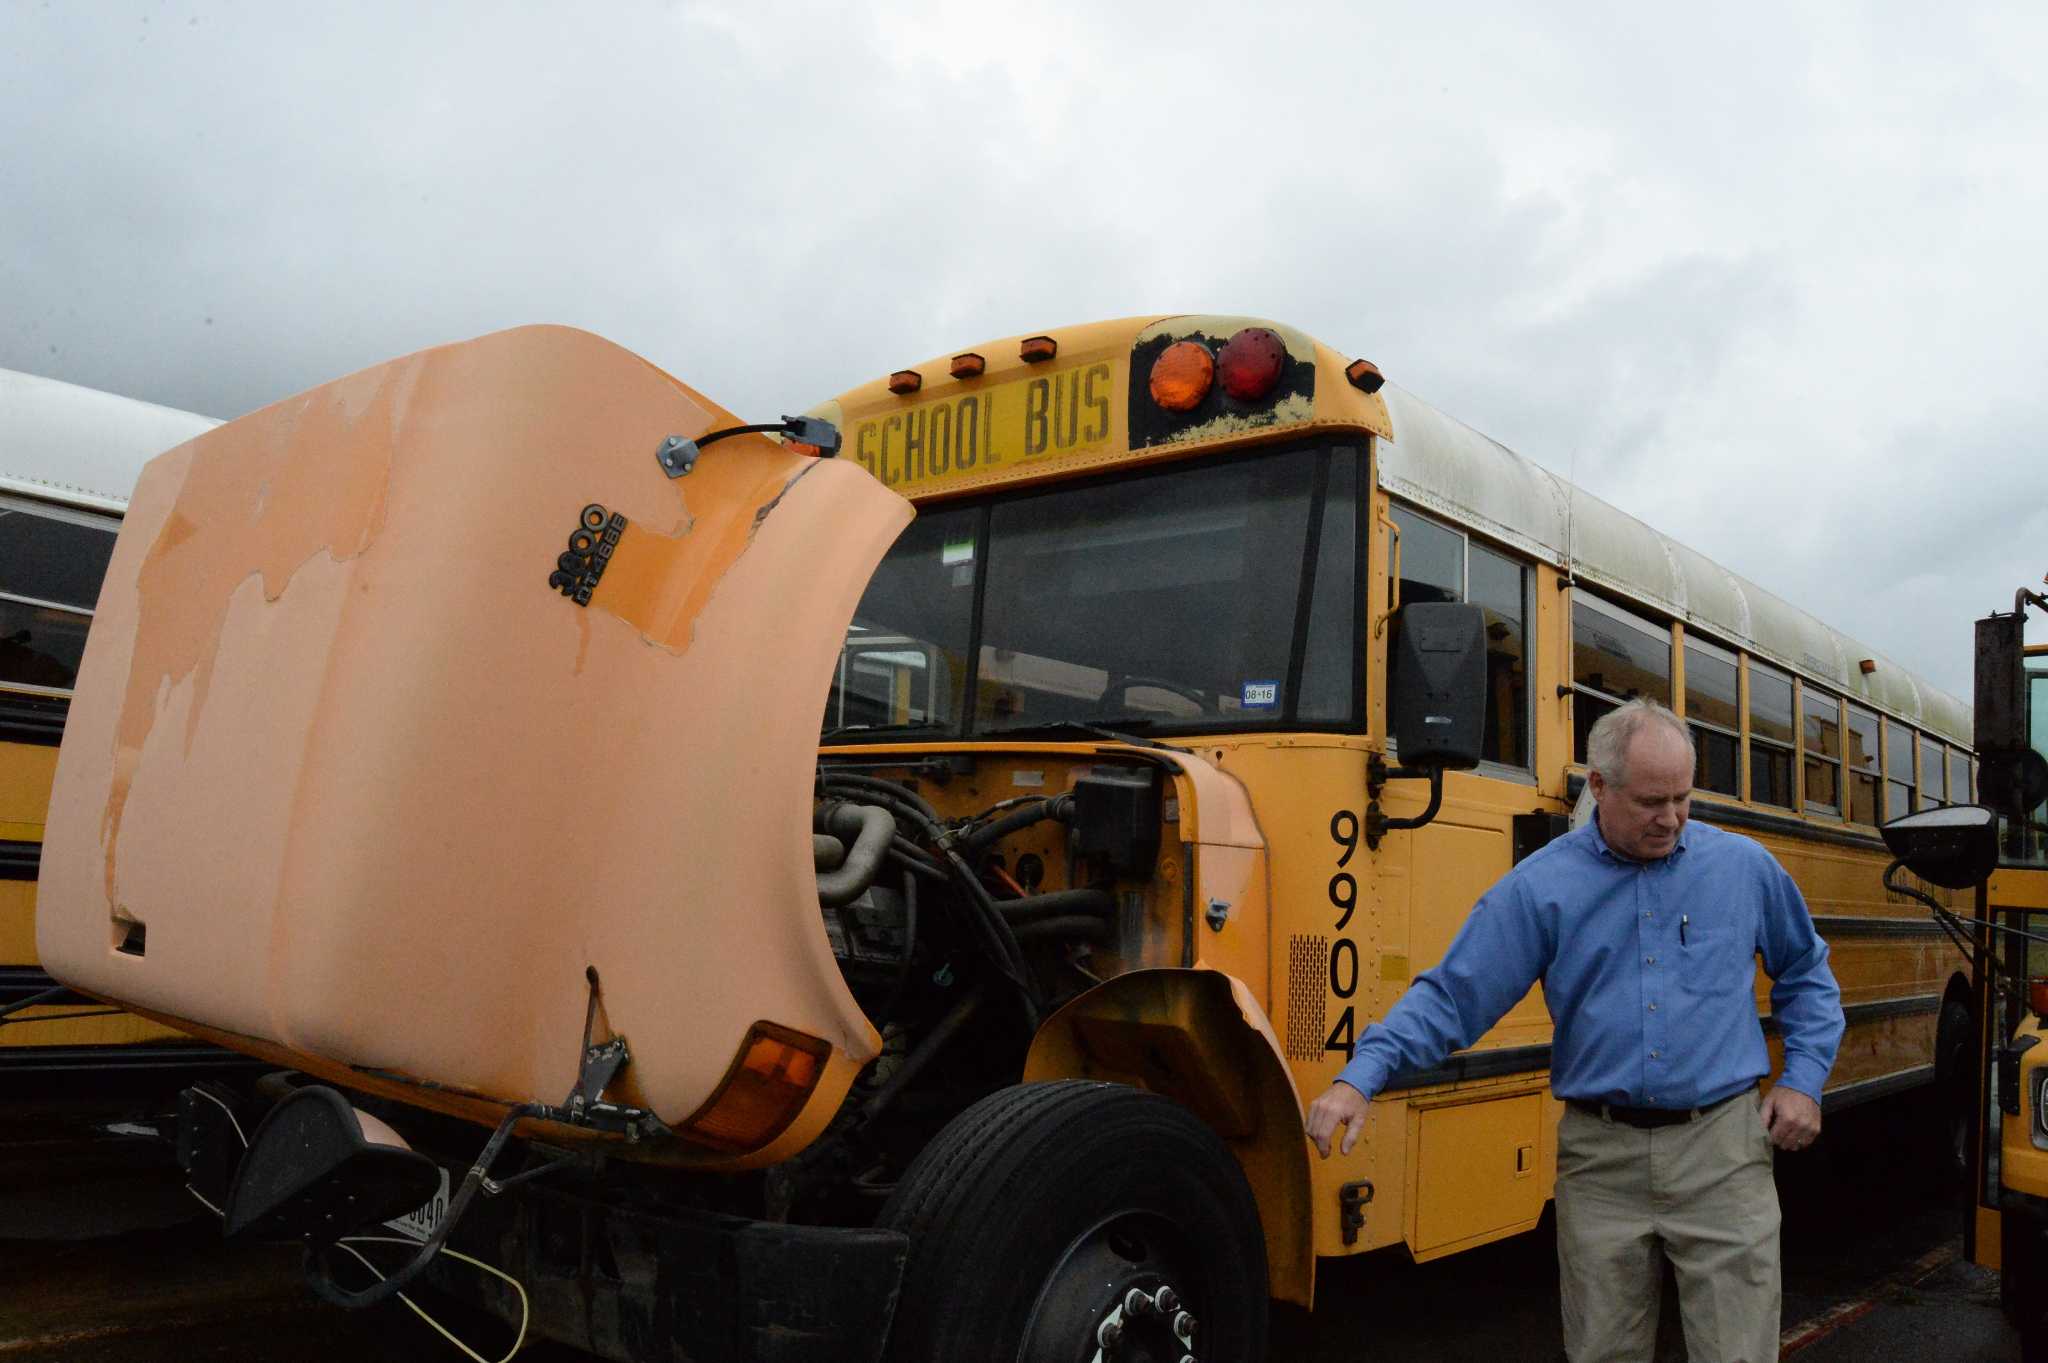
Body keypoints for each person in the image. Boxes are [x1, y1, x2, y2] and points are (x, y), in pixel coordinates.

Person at [1305, 698, 1843, 1363]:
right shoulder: (1540, 888)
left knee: (1738, 1352)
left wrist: (1804, 1080)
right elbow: (1452, 995)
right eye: (1651, 801)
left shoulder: (1745, 869)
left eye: (1682, 798)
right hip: (1601, 1158)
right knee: (1600, 1352)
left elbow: (1808, 973)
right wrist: (1363, 1075)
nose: (1671, 817)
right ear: (1598, 785)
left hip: (1723, 1154)